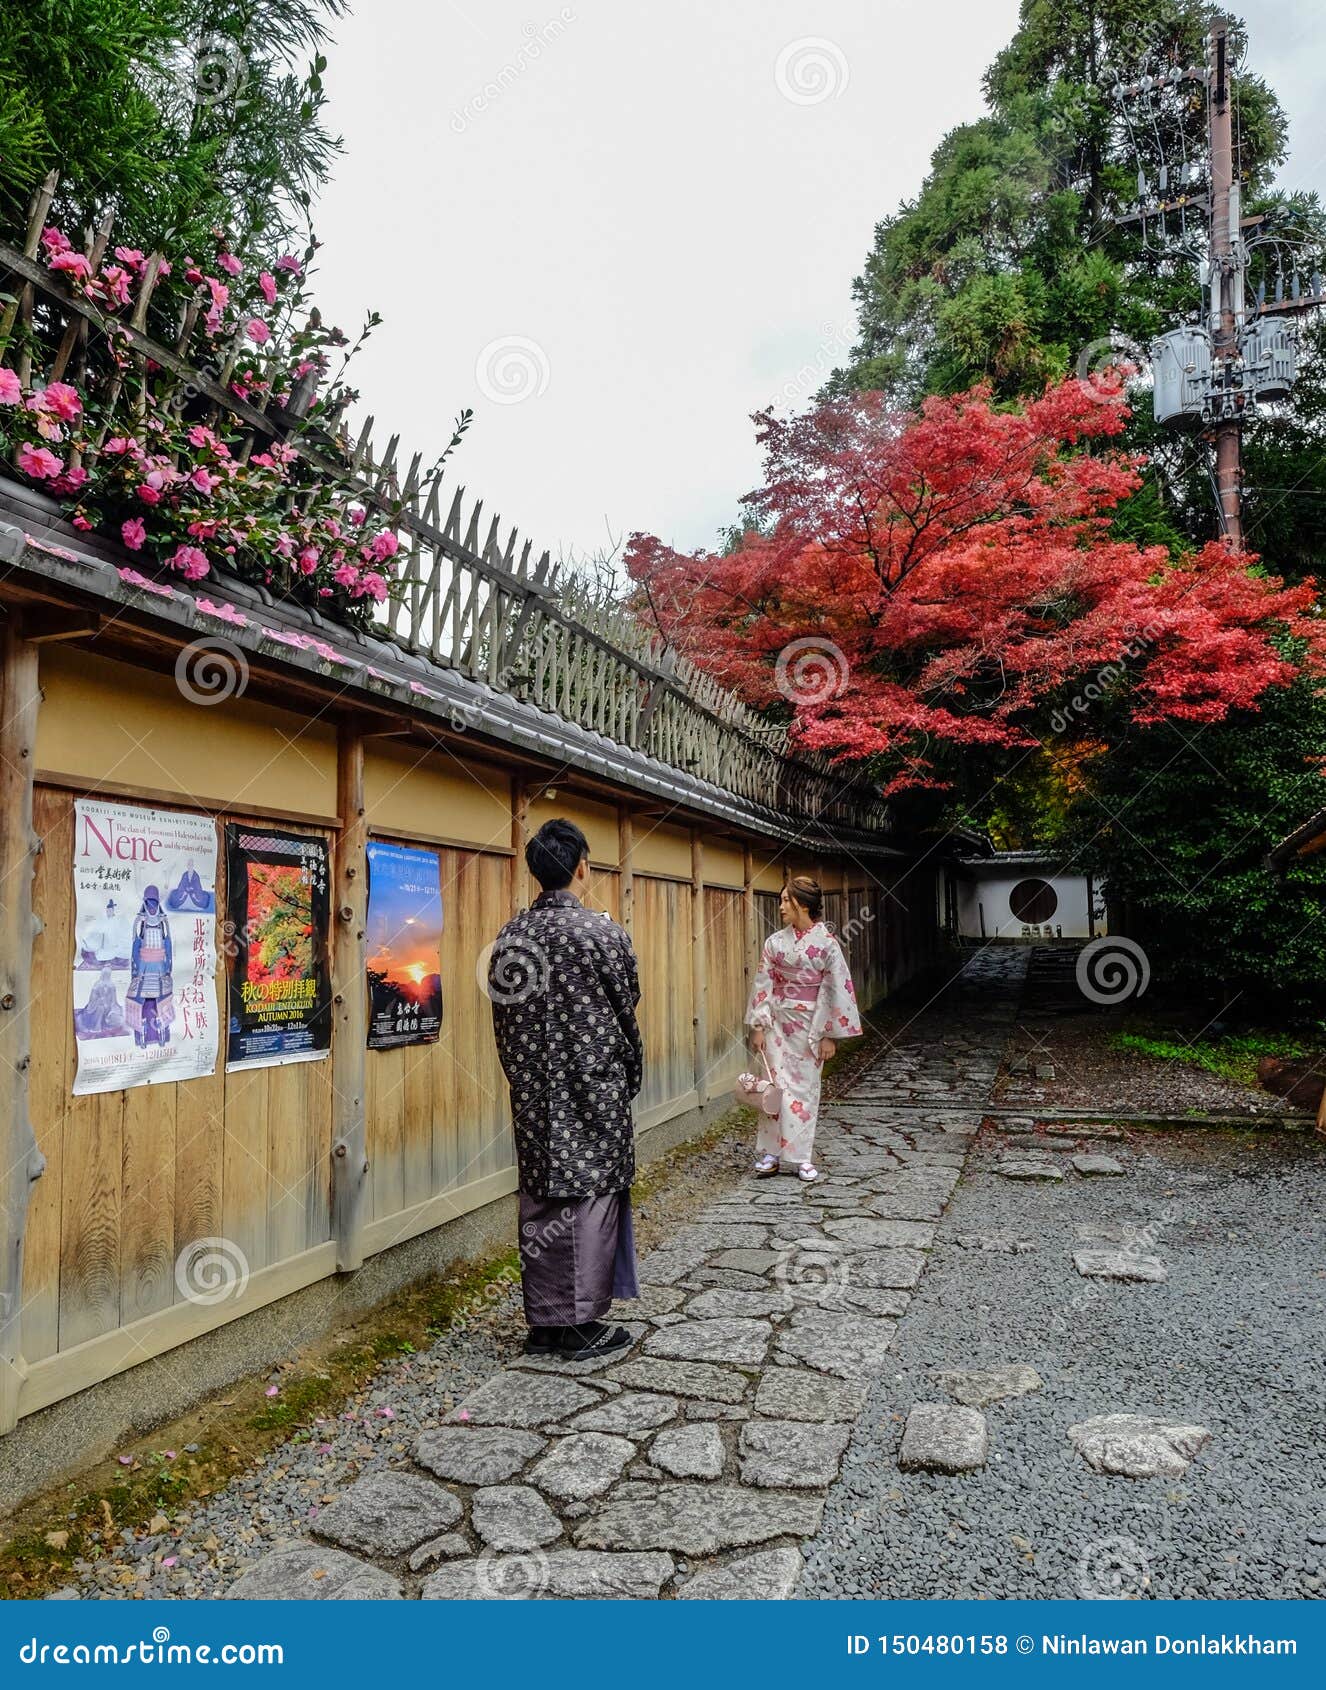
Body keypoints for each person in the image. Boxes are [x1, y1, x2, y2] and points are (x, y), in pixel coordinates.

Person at [488, 818, 643, 1361]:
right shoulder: (603, 934)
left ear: (536, 871)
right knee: (589, 1195)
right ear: (582, 866)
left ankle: (545, 1323)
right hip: (593, 1084)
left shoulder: (511, 937)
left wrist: (524, 1076)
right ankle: (577, 1324)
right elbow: (627, 1010)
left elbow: (503, 1021)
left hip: (533, 1090)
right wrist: (628, 1072)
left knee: (543, 1198)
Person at [745, 874, 861, 1182]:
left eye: (786, 900)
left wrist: (829, 1035)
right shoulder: (774, 943)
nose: (781, 906)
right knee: (774, 1088)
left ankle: (801, 1157)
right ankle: (771, 1153)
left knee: (805, 1092)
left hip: (811, 1026)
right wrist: (758, 1025)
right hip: (777, 1025)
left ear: (803, 904)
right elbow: (764, 984)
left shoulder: (827, 945)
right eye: (781, 900)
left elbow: (837, 988)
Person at [124, 885, 175, 1049]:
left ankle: (161, 1034)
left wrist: (167, 968)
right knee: (139, 1003)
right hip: (144, 968)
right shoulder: (141, 920)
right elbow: (135, 942)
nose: (152, 908)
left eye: (154, 902)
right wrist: (136, 969)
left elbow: (168, 944)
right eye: (149, 902)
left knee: (162, 1002)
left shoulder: (163, 920)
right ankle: (142, 1036)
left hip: (159, 968)